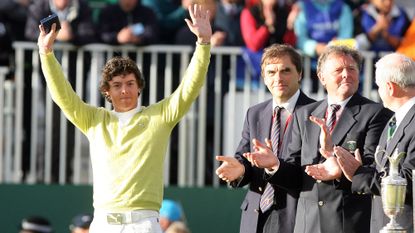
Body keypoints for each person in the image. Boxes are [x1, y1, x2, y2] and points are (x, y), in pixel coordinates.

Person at [37, 4, 212, 232]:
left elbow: (190, 87)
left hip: (145, 223)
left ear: (139, 88)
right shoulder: (94, 120)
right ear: (107, 92)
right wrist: (46, 55)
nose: (124, 91)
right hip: (103, 222)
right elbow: (63, 96)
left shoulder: (159, 116)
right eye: (117, 85)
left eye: (130, 84)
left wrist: (203, 44)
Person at [243, 45, 392, 233]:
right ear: (322, 77)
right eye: (338, 70)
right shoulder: (305, 113)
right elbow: (296, 174)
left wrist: (341, 169)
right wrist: (275, 165)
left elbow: (373, 169)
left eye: (351, 69)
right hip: (307, 224)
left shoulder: (376, 113)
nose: (346, 74)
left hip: (347, 223)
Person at [215, 44, 315, 233]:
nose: (278, 78)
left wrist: (275, 166)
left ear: (299, 74)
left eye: (286, 71)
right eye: (271, 72)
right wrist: (240, 169)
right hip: (256, 216)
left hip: (296, 216)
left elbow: (309, 171)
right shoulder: (255, 113)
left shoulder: (315, 113)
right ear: (263, 77)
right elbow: (244, 156)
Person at [331, 53, 415, 233]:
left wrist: (359, 173)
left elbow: (409, 181)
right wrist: (349, 172)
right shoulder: (396, 119)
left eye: (378, 87)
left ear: (390, 88)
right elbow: (383, 172)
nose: (379, 92)